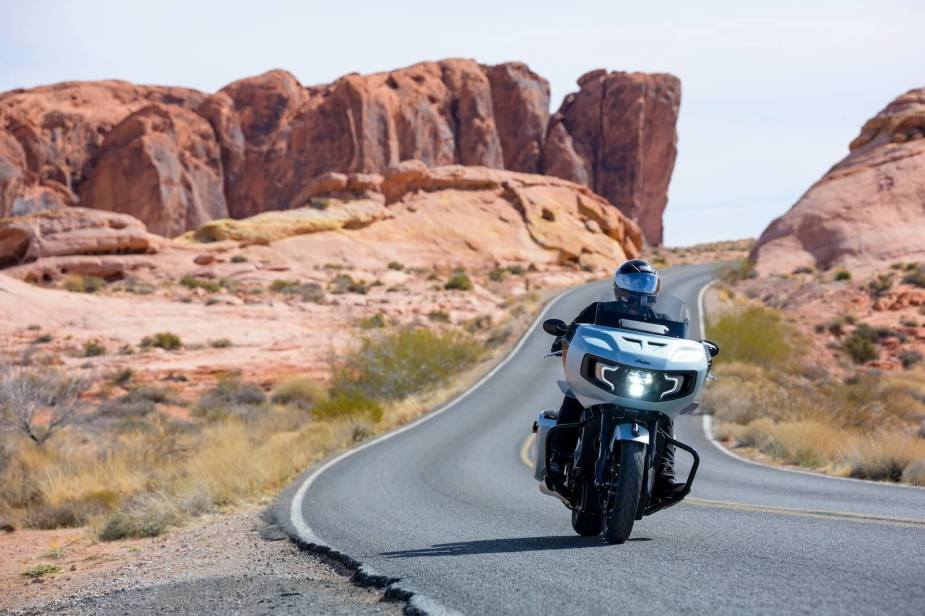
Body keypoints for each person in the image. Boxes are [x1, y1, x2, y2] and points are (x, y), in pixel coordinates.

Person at [547, 259, 686, 498]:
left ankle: (664, 475)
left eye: (647, 282)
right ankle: (559, 460)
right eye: (634, 281)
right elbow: (572, 332)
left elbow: (678, 349)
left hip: (645, 385)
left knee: (666, 413)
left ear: (656, 288)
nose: (641, 288)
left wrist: (693, 353)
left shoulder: (664, 320)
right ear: (618, 286)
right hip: (603, 381)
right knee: (573, 395)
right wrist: (563, 336)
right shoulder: (597, 311)